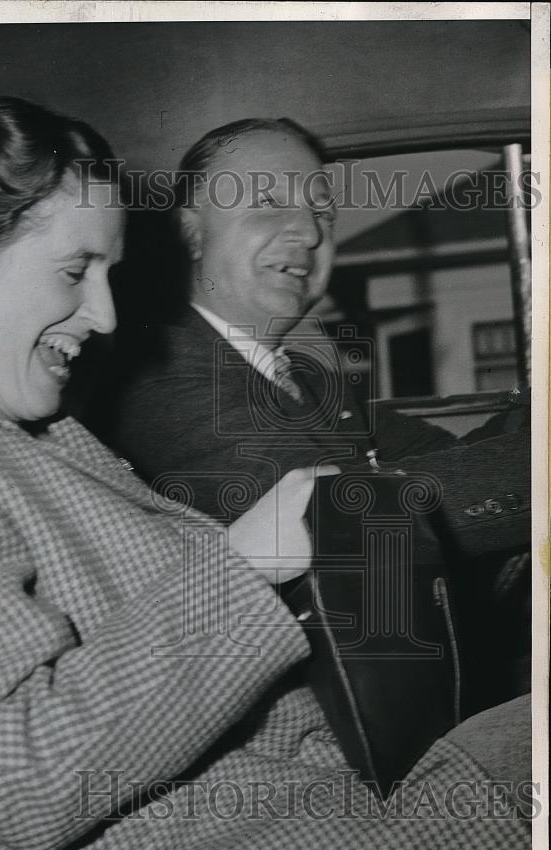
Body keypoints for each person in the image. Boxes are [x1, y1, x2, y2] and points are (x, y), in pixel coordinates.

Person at [0, 98, 532, 850]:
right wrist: (243, 564)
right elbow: (19, 774)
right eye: (75, 270)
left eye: (109, 274)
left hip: (300, 837)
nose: (108, 315)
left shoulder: (24, 440)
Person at [97, 117, 532, 712]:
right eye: (269, 202)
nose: (307, 230)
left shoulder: (306, 380)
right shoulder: (160, 378)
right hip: (312, 716)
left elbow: (453, 465)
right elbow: (348, 525)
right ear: (189, 232)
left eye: (324, 212)